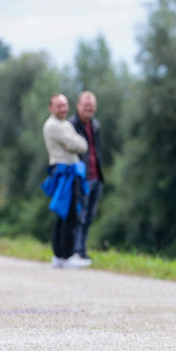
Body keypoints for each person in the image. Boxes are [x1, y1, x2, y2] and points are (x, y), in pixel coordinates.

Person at [42, 94, 90, 269]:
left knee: (69, 213)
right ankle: (65, 255)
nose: (62, 109)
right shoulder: (53, 125)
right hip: (64, 172)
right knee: (66, 213)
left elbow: (80, 143)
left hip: (72, 171)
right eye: (58, 106)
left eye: (64, 105)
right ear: (51, 108)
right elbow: (76, 144)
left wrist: (78, 142)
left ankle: (61, 254)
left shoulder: (66, 124)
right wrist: (78, 142)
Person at [69, 91, 104, 262]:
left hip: (96, 177)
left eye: (91, 105)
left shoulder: (95, 125)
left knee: (89, 216)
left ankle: (82, 250)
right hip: (80, 177)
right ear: (78, 106)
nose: (88, 108)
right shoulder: (71, 125)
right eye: (85, 105)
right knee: (79, 216)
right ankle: (75, 250)